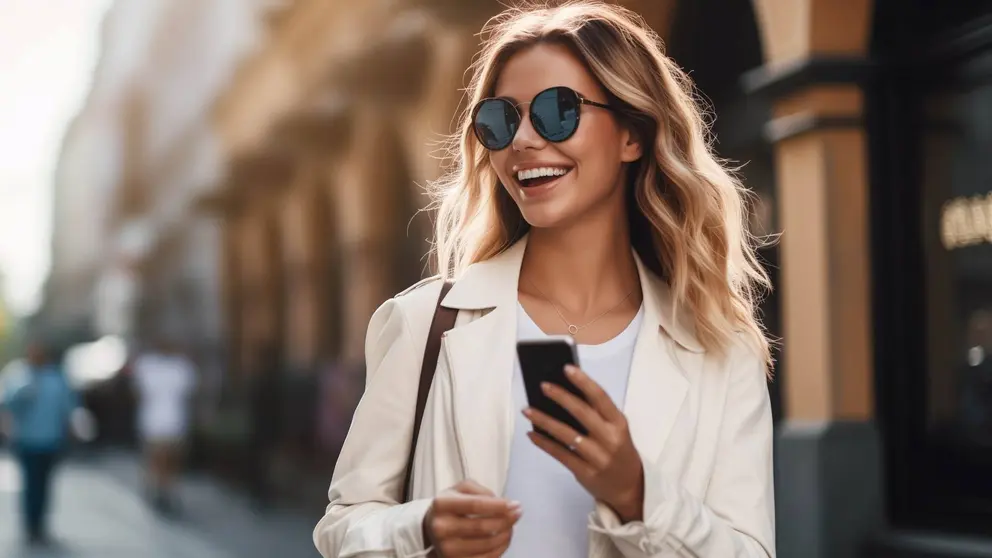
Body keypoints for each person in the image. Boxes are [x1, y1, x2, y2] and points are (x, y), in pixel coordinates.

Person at [313, 2, 775, 557]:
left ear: (632, 134)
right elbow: (344, 525)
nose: (524, 141)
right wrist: (423, 528)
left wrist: (638, 494)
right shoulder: (424, 324)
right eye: (502, 120)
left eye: (559, 111)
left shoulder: (721, 352)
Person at [2, 340, 79, 545]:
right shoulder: (18, 374)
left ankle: (41, 525)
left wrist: (70, 432)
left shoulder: (57, 378)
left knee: (45, 485)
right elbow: (7, 403)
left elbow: (68, 407)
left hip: (51, 440)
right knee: (30, 484)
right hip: (27, 440)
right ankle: (30, 526)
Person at [131, 337, 197, 514]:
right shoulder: (180, 368)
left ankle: (161, 491)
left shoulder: (150, 367)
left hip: (159, 422)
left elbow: (138, 393)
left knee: (161, 460)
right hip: (170, 422)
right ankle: (164, 491)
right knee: (167, 461)